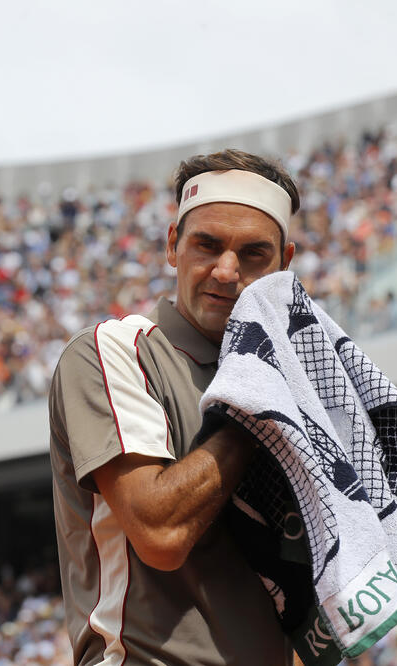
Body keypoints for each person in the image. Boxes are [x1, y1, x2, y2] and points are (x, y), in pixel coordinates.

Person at [49, 149, 299, 665]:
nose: (226, 272)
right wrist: (253, 408)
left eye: (254, 254)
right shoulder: (117, 350)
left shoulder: (295, 379)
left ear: (285, 265)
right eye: (207, 245)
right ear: (172, 246)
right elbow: (160, 535)